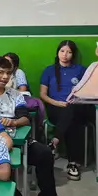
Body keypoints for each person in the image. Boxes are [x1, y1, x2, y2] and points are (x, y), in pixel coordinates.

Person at [0, 57, 64, 196]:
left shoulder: (16, 95)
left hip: (17, 141)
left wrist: (13, 122)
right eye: (1, 72)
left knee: (44, 154)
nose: (5, 77)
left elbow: (25, 118)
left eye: (8, 73)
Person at [40, 40, 90, 181]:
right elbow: (43, 95)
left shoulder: (81, 70)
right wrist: (57, 103)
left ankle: (55, 141)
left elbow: (88, 91)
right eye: (62, 51)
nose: (65, 55)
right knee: (72, 122)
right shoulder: (49, 70)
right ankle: (73, 163)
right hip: (55, 108)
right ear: (57, 53)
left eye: (69, 52)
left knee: (71, 109)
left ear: (73, 54)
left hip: (77, 107)